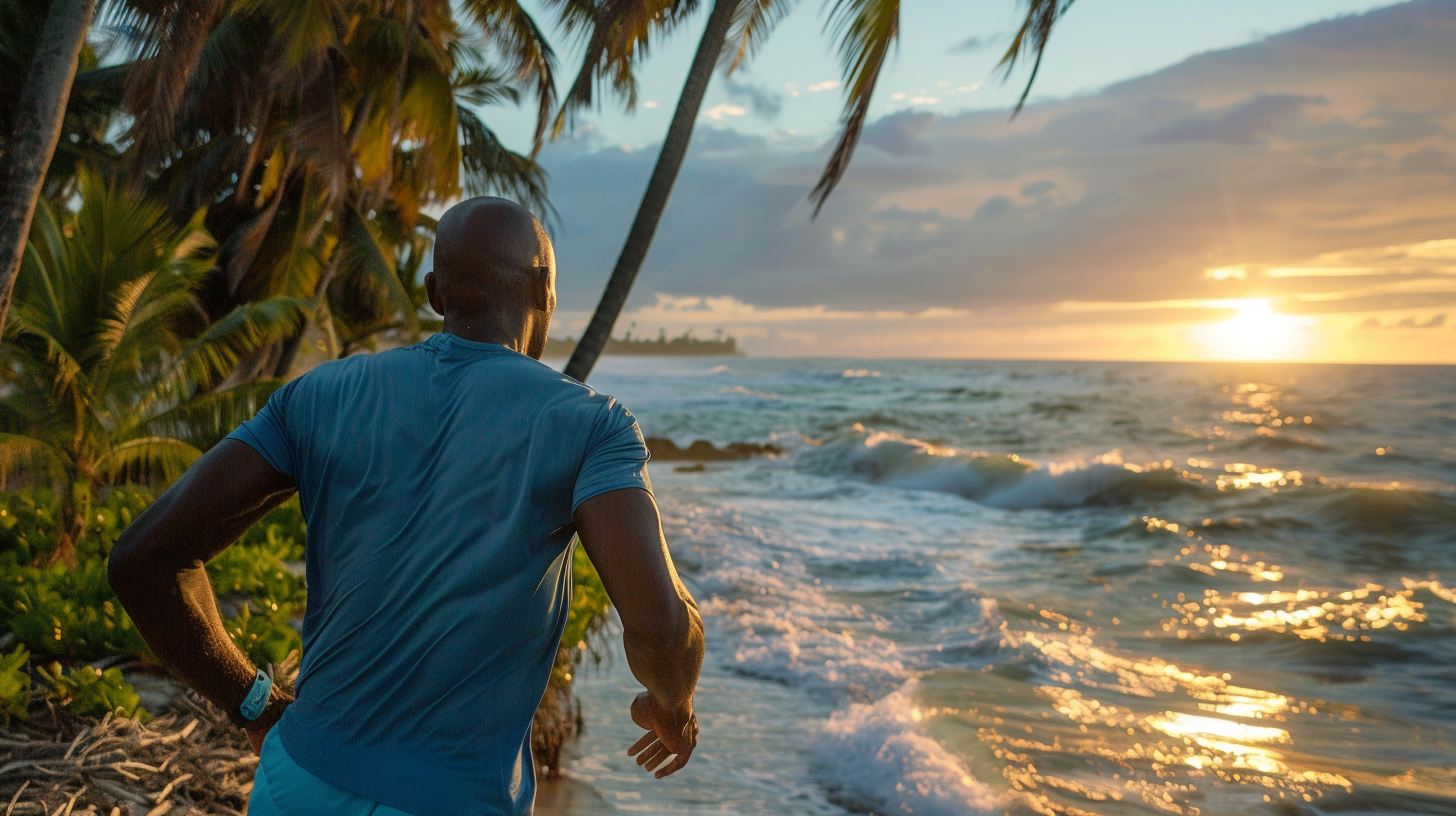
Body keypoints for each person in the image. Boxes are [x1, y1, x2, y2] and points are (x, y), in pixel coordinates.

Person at [108, 197, 705, 816]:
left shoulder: (319, 395)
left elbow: (144, 559)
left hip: (302, 781)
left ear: (434, 294)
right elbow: (660, 626)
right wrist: (674, 705)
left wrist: (251, 703)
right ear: (544, 290)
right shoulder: (589, 425)